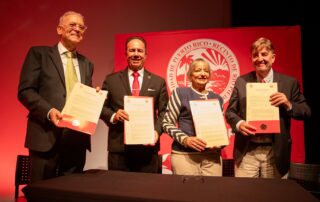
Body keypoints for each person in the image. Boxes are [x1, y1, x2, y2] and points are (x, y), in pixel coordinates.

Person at [18, 11, 94, 182]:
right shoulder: (39, 54)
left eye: (81, 27)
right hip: (45, 136)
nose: (77, 29)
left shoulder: (87, 63)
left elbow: (84, 97)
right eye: (72, 25)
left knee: (71, 192)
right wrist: (49, 110)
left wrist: (93, 97)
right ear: (60, 29)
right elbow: (25, 90)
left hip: (76, 139)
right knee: (42, 192)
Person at [225, 37, 311, 178]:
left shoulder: (289, 83)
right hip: (247, 151)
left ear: (273, 58)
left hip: (275, 151)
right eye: (255, 55)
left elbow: (306, 112)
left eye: (264, 54)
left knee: (273, 196)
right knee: (243, 196)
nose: (260, 59)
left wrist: (288, 104)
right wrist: (239, 124)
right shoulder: (242, 81)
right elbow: (230, 112)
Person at [100, 36, 168, 173]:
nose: (136, 54)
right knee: (118, 190)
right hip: (119, 150)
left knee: (147, 192)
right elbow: (101, 107)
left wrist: (157, 131)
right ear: (126, 54)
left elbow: (165, 111)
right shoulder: (111, 80)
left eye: (139, 51)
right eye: (132, 50)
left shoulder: (158, 82)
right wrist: (113, 115)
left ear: (145, 55)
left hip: (148, 149)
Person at [162, 58, 224, 176]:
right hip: (184, 156)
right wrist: (185, 140)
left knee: (213, 193)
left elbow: (220, 128)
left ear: (209, 75)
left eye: (206, 71)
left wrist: (221, 142)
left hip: (212, 157)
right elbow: (167, 123)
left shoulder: (217, 98)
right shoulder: (180, 93)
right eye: (197, 70)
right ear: (190, 76)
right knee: (187, 193)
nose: (202, 73)